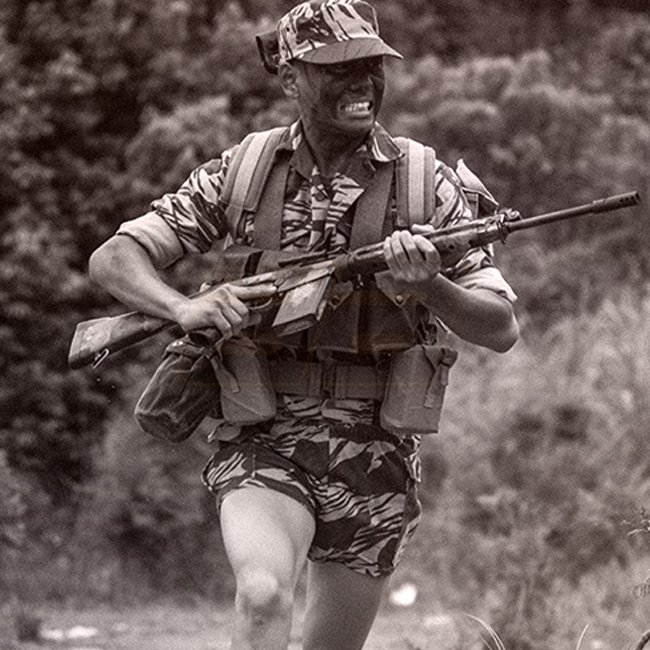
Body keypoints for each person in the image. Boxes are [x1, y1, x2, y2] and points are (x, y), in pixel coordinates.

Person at [88, 0, 519, 647]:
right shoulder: (246, 172)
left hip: (375, 454)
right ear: (290, 77)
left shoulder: (423, 183)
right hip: (264, 435)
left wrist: (428, 285)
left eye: (372, 66)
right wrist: (181, 307)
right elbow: (114, 257)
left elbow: (501, 327)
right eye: (337, 68)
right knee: (262, 596)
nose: (361, 81)